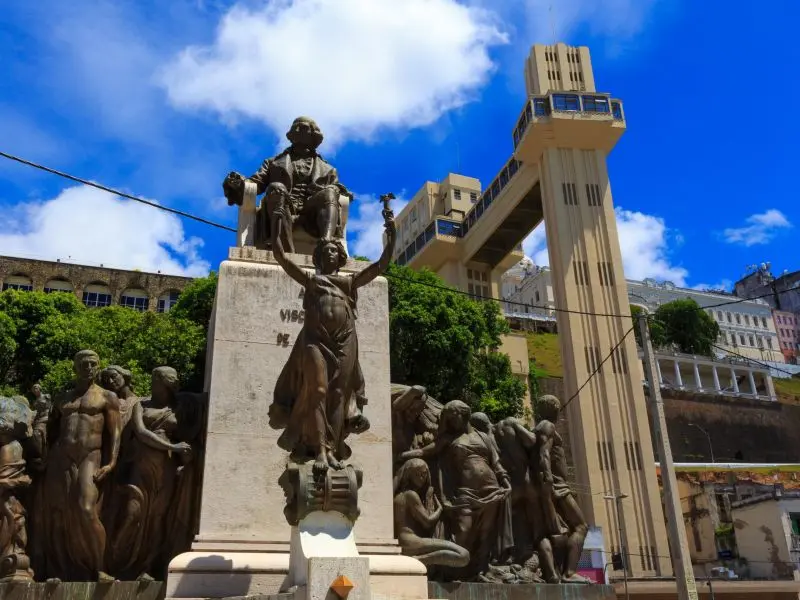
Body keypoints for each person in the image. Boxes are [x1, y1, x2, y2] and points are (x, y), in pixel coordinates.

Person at [268, 194, 396, 471]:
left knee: (338, 395)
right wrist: (278, 218)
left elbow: (381, 265)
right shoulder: (312, 279)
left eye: (334, 251)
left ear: (341, 257)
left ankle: (334, 447)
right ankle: (320, 450)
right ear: (317, 257)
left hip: (345, 341)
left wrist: (391, 231)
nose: (330, 253)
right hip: (316, 341)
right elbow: (280, 255)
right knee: (318, 390)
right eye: (325, 251)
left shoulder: (349, 282)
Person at [40, 350, 121, 581]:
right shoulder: (63, 398)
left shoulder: (107, 397)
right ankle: (58, 570)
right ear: (75, 367)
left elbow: (115, 433)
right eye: (84, 364)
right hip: (61, 458)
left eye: (93, 364)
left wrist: (112, 462)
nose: (89, 367)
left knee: (86, 509)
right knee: (58, 513)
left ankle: (100, 567)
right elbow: (50, 429)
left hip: (90, 457)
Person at [107, 367, 193, 580]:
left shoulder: (178, 409)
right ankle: (113, 562)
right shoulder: (141, 405)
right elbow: (142, 432)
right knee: (132, 513)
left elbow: (188, 437)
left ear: (165, 384)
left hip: (166, 469)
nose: (153, 383)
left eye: (157, 380)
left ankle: (147, 568)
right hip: (142, 465)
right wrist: (172, 447)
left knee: (158, 519)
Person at [223, 116, 349, 252]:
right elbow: (256, 183)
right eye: (295, 128)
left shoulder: (328, 169)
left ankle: (326, 244)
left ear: (314, 135)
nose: (298, 129)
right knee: (277, 188)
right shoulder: (273, 162)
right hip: (281, 206)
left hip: (312, 213)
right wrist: (239, 184)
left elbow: (337, 190)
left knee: (330, 193)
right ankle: (286, 253)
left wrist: (332, 189)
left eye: (303, 127)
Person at [435, 401, 513, 580]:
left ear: (464, 414)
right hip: (466, 492)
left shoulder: (484, 436)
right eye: (449, 420)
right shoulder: (449, 439)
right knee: (463, 531)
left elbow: (496, 462)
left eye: (454, 418)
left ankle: (480, 570)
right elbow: (434, 457)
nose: (453, 423)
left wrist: (505, 481)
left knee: (486, 533)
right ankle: (452, 570)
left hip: (492, 489)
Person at [534, 394, 589, 583]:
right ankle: (569, 573)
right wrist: (549, 482)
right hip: (556, 486)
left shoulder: (542, 427)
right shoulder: (547, 427)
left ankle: (557, 571)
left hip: (555, 485)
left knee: (558, 532)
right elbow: (544, 454)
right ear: (556, 409)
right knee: (581, 526)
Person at [393, 458, 469, 568]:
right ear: (409, 475)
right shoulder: (410, 495)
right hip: (410, 541)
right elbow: (427, 521)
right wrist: (440, 508)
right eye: (417, 474)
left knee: (462, 555)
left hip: (407, 540)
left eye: (424, 474)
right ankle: (417, 561)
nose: (421, 478)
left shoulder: (399, 495)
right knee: (463, 555)